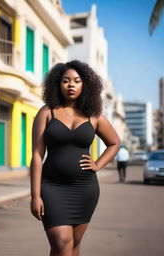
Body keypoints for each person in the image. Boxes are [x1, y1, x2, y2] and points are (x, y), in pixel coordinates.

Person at [29, 60, 120, 256]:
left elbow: (114, 143)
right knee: (62, 243)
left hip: (84, 188)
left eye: (77, 81)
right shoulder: (47, 112)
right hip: (52, 186)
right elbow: (37, 156)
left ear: (85, 85)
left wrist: (97, 164)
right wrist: (35, 196)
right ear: (57, 84)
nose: (71, 85)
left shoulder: (94, 116)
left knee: (74, 245)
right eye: (66, 81)